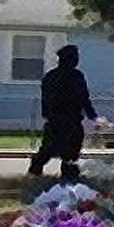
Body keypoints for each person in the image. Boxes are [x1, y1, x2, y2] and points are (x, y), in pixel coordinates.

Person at [30, 45, 97, 180]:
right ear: (69, 59)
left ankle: (37, 169)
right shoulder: (76, 76)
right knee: (72, 147)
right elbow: (83, 96)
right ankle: (67, 173)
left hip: (54, 119)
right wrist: (91, 114)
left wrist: (47, 113)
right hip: (70, 118)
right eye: (75, 57)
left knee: (50, 146)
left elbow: (45, 98)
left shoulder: (50, 76)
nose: (77, 60)